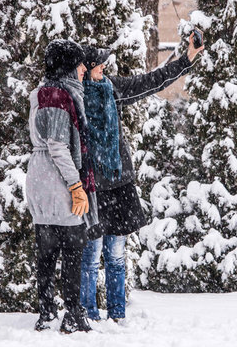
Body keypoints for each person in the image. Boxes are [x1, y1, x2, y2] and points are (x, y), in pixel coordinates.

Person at [79, 32, 205, 322]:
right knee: (91, 256)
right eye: (99, 64)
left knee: (116, 254)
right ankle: (88, 315)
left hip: (119, 182)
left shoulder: (113, 89)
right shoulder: (76, 96)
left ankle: (118, 316)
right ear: (87, 67)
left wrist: (185, 60)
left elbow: (152, 81)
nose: (104, 68)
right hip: (94, 186)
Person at [25, 39, 99, 333]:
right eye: (79, 63)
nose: (84, 69)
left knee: (46, 251)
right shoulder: (57, 96)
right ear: (68, 67)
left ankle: (46, 313)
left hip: (42, 177)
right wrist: (76, 185)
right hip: (57, 179)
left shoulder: (43, 93)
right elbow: (57, 145)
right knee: (72, 248)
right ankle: (72, 315)